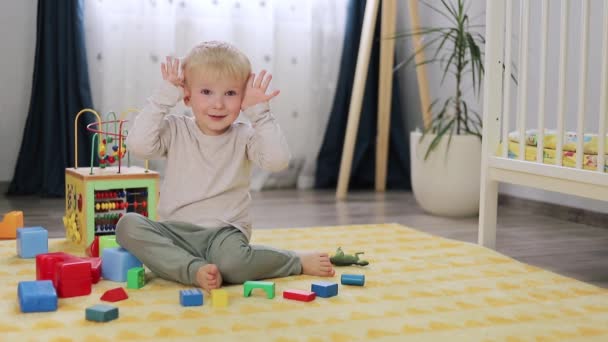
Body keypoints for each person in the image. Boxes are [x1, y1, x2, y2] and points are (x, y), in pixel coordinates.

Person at [115, 41, 335, 292]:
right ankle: (193, 269)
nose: (218, 104)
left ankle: (294, 260)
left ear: (243, 98)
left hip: (225, 234)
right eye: (206, 92)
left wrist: (260, 114)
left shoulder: (244, 136)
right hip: (175, 231)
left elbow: (278, 161)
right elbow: (138, 145)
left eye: (230, 93)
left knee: (234, 264)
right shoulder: (176, 128)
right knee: (126, 225)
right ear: (186, 96)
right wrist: (163, 100)